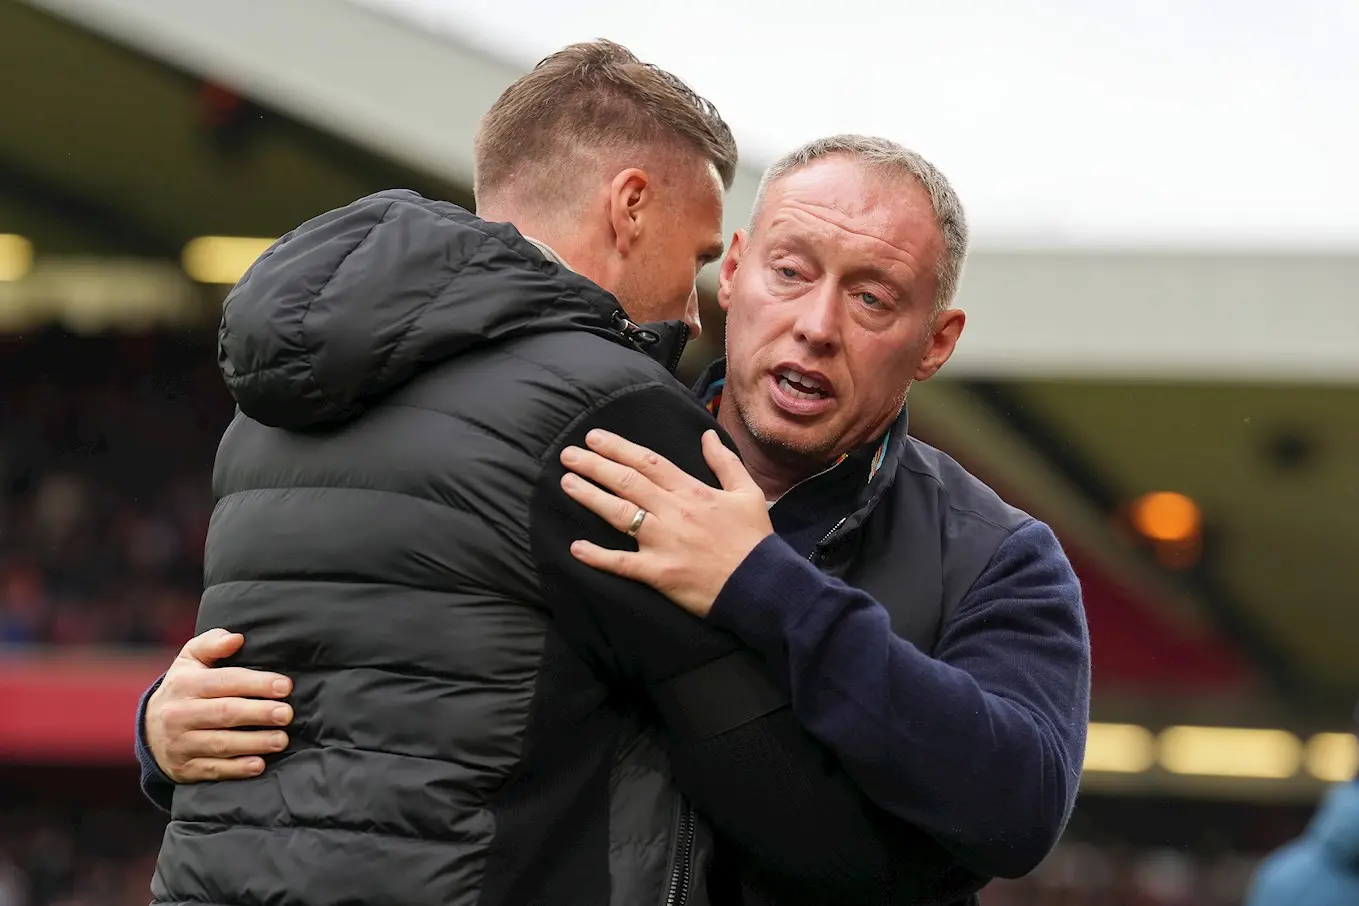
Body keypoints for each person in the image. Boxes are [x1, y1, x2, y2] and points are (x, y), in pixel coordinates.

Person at [138, 41, 982, 906]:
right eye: (695, 258)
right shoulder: (613, 411)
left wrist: (151, 732)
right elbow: (773, 785)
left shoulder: (273, 405)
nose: (695, 313)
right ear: (629, 208)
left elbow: (325, 686)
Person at [558, 136, 1093, 876]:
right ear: (735, 269)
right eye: (789, 272)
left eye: (871, 299)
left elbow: (1018, 806)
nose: (816, 325)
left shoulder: (998, 558)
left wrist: (764, 586)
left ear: (935, 344)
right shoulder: (589, 461)